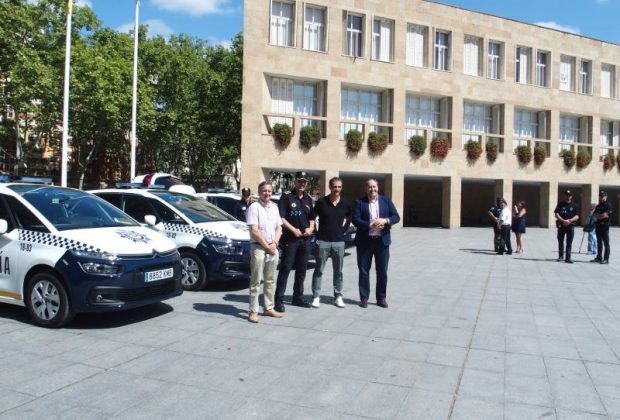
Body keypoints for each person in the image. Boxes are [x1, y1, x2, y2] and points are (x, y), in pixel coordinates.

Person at [352, 178, 400, 308]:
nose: (372, 189)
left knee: (382, 271)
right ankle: (364, 298)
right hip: (365, 242)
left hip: (382, 243)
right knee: (363, 271)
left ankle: (381, 298)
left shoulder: (386, 201)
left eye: (374, 187)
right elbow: (355, 219)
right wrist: (369, 224)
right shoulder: (359, 202)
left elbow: (396, 217)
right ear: (366, 189)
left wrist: (385, 221)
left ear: (378, 187)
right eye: (370, 187)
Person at [274, 171, 316, 312]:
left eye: (304, 181)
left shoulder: (308, 199)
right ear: (295, 182)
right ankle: (278, 300)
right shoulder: (286, 197)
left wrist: (310, 229)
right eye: (299, 181)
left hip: (304, 240)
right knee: (285, 269)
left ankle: (298, 297)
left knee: (302, 270)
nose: (302, 183)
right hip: (290, 240)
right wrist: (293, 230)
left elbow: (312, 218)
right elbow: (282, 218)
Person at [311, 177, 352, 309]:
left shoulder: (345, 203)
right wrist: (316, 232)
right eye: (334, 187)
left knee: (338, 271)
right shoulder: (322, 202)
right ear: (330, 187)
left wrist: (343, 230)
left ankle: (338, 296)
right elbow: (312, 217)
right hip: (323, 241)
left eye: (339, 187)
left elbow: (349, 217)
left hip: (339, 242)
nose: (337, 189)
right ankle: (316, 296)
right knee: (318, 270)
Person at [246, 181, 283, 323]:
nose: (267, 193)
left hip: (273, 247)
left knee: (270, 279)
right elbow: (254, 230)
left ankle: (268, 308)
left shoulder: (274, 207)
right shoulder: (254, 207)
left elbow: (279, 227)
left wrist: (275, 243)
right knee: (256, 280)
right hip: (259, 248)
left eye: (269, 191)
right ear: (259, 192)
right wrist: (266, 246)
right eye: (264, 191)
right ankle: (253, 311)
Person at [554, 189, 579, 264]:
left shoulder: (575, 205)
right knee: (560, 241)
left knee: (569, 242)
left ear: (571, 196)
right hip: (561, 225)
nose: (568, 197)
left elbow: (577, 216)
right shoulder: (560, 204)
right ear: (564, 196)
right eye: (566, 195)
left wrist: (570, 221)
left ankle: (568, 258)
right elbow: (556, 214)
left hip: (570, 226)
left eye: (569, 195)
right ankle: (561, 256)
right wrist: (563, 220)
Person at [592, 190, 613, 264]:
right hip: (598, 226)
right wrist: (600, 216)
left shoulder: (608, 205)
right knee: (599, 242)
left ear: (606, 197)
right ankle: (599, 257)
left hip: (605, 226)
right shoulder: (598, 206)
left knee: (606, 243)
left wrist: (599, 216)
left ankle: (606, 259)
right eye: (600, 196)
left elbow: (605, 215)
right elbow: (594, 216)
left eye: (603, 196)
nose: (601, 197)